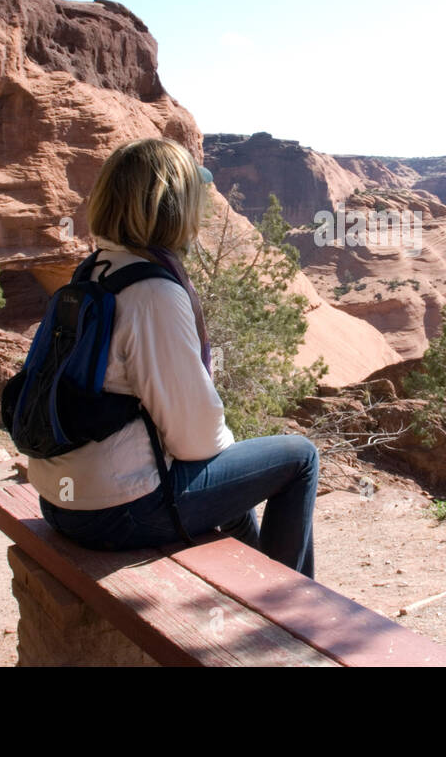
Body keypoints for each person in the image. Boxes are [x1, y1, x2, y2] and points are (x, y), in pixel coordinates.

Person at [30, 137, 319, 579]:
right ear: (171, 209)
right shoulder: (153, 292)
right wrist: (225, 451)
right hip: (116, 512)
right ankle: (292, 607)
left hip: (62, 500)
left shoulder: (95, 269)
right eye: (193, 200)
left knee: (233, 488)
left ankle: (258, 590)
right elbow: (196, 439)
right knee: (299, 458)